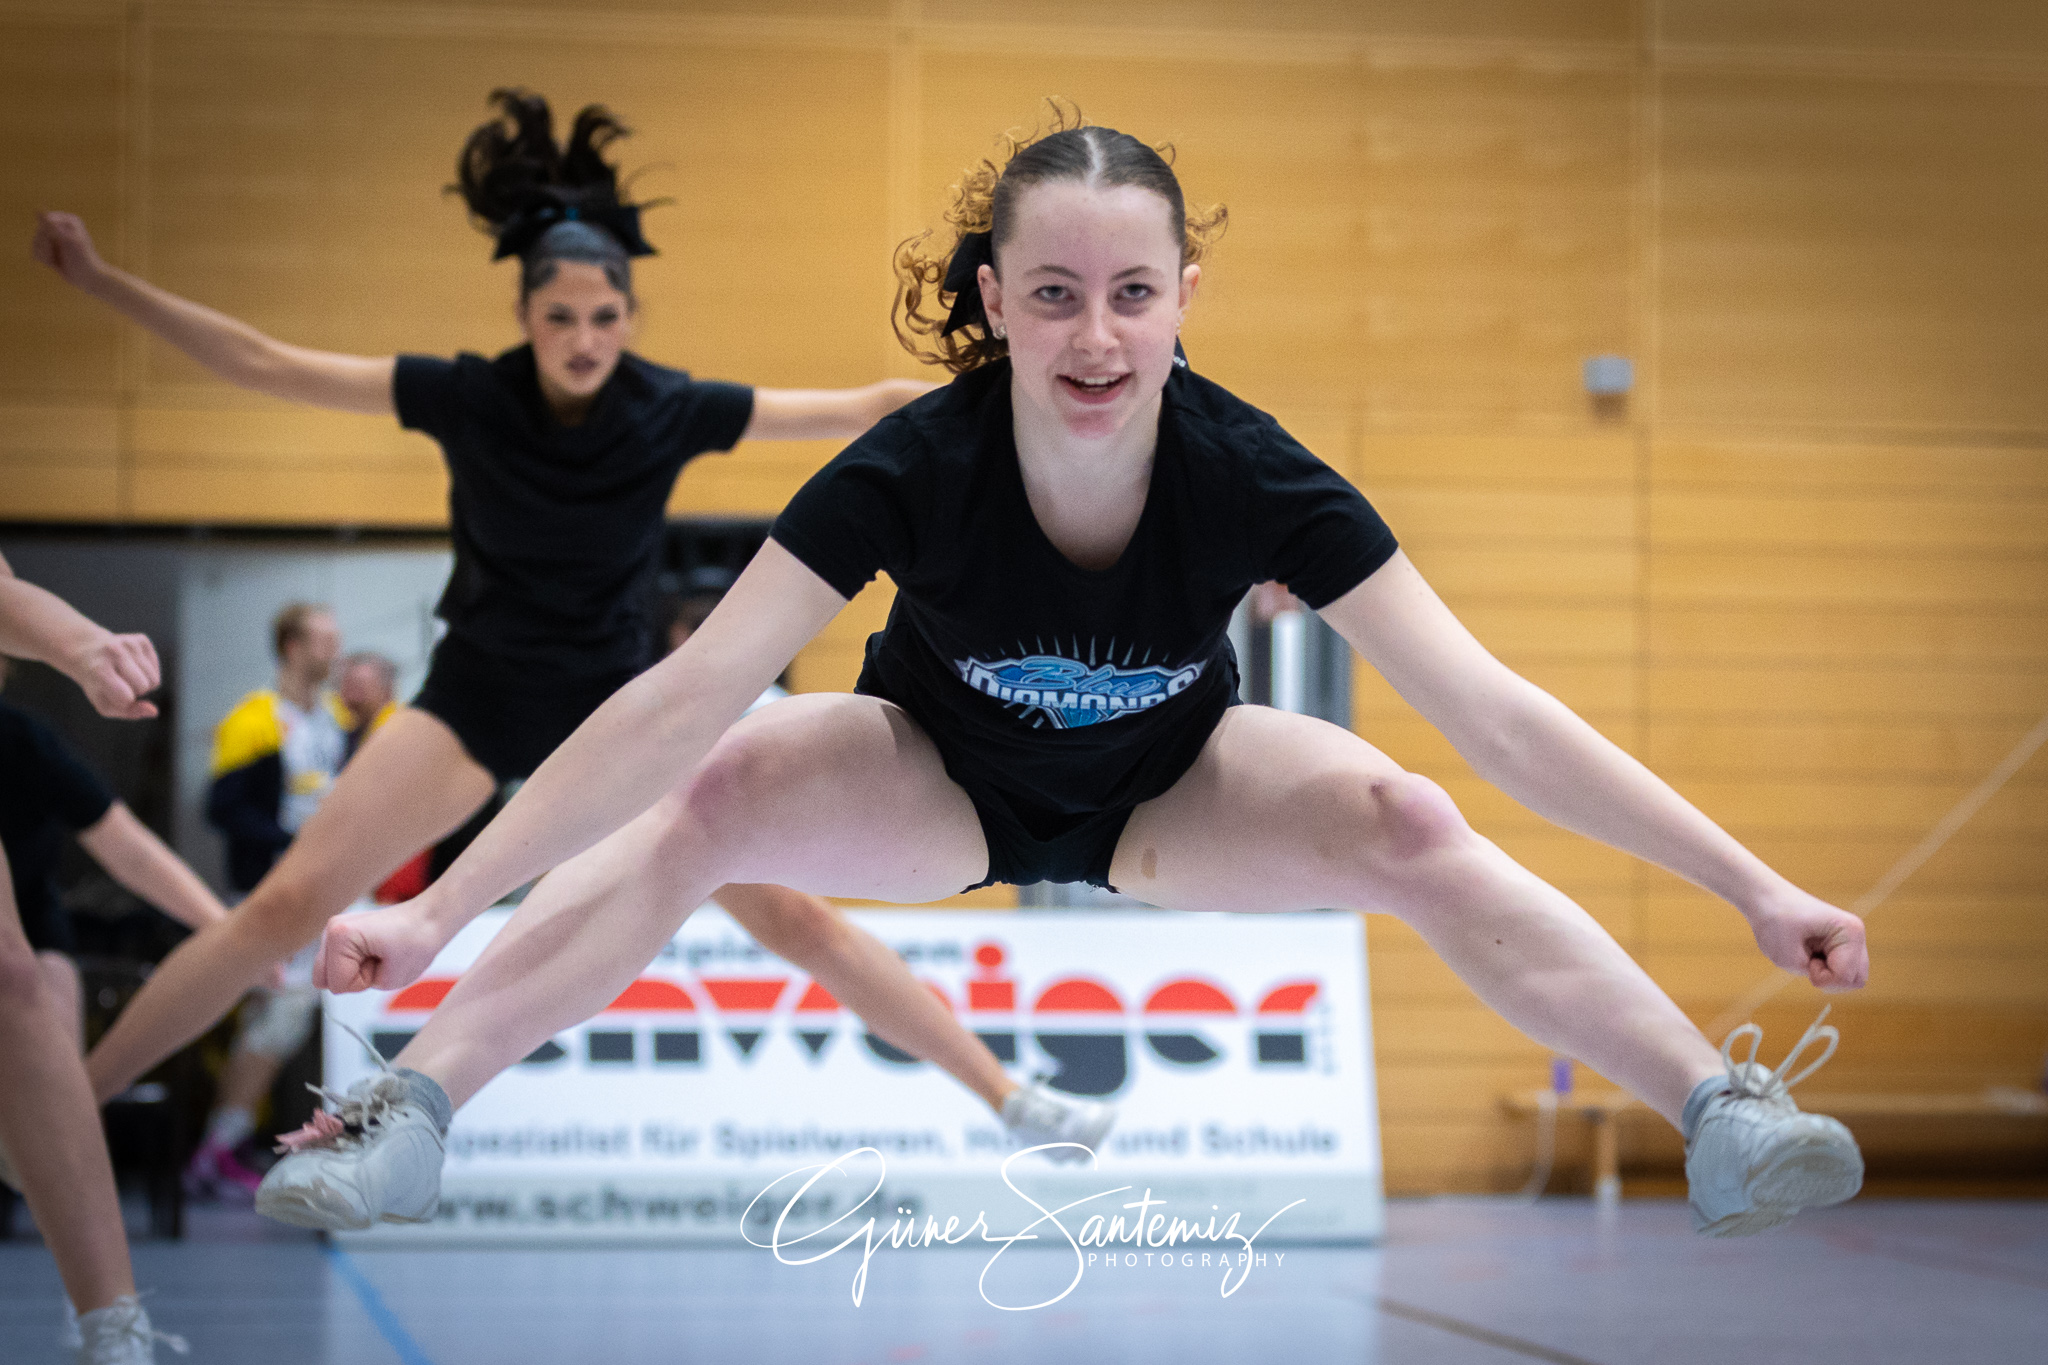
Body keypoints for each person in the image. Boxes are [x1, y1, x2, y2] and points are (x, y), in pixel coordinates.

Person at [268, 114, 1871, 1241]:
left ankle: (1721, 1112)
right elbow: (676, 697)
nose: (1094, 335)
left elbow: (1497, 708)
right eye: (1051, 294)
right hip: (931, 781)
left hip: (1174, 793)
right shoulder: (912, 464)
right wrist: (430, 907)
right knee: (721, 782)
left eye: (1131, 293)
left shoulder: (1260, 479)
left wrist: (1749, 881)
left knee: (1408, 813)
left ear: (1185, 301)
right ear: (992, 306)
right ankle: (410, 1112)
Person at [36, 89, 1107, 1166]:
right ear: (524, 320)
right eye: (560, 319)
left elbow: (868, 404)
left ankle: (1008, 1097)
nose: (584, 339)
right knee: (282, 908)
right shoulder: (464, 397)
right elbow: (271, 366)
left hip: (621, 716)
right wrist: (101, 282)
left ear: (629, 320)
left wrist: (1052, 380)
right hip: (474, 700)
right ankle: (59, 1110)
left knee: (802, 922)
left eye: (604, 319)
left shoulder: (671, 405)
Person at [0, 552, 189, 1363]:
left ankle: (113, 1329)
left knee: (20, 974)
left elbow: (131, 851)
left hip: (46, 938)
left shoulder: (25, 742)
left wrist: (82, 646)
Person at [185, 603, 349, 1199]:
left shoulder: (333, 721)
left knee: (290, 1023)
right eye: (322, 640)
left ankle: (237, 1143)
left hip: (323, 895)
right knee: (273, 1019)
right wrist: (289, 843)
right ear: (291, 646)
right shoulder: (254, 719)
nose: (333, 650)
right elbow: (221, 808)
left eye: (336, 639)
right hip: (267, 894)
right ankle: (216, 1150)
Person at [336, 650, 399, 758]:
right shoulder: (347, 732)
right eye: (347, 688)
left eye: (360, 688)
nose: (352, 698)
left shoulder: (395, 734)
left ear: (387, 692)